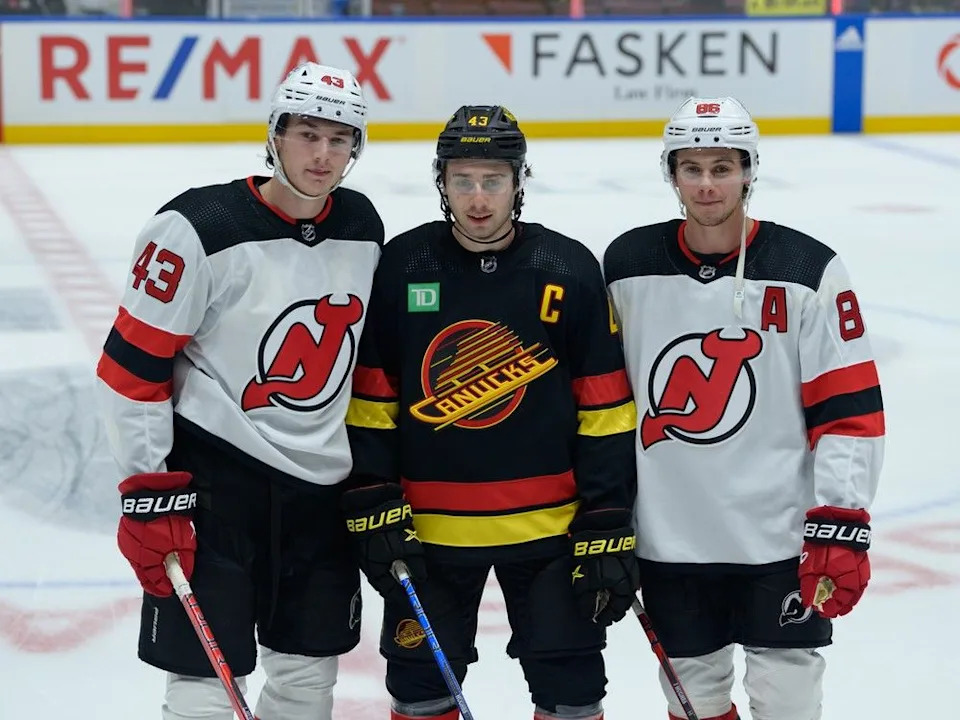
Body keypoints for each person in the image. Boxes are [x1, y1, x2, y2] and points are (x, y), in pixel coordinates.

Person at [95, 62, 384, 720]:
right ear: (274, 135)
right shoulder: (197, 227)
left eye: (339, 139)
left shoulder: (362, 225)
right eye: (306, 134)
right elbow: (130, 369)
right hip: (216, 487)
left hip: (320, 494)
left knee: (308, 679)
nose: (322, 154)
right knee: (204, 684)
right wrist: (149, 493)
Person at [342, 105, 640, 720]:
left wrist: (607, 513)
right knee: (420, 693)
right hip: (428, 535)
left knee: (573, 693)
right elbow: (373, 400)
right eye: (463, 180)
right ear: (441, 182)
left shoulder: (567, 268)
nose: (478, 199)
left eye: (493, 180)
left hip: (552, 533)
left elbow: (605, 406)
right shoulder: (403, 266)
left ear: (519, 181)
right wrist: (373, 494)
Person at [603, 96, 885, 720]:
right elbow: (603, 406)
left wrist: (841, 519)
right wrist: (604, 514)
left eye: (723, 168)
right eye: (692, 168)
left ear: (749, 171)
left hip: (778, 542)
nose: (707, 185)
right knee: (695, 705)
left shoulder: (807, 269)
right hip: (670, 542)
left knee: (789, 703)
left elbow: (848, 409)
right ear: (671, 173)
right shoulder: (626, 267)